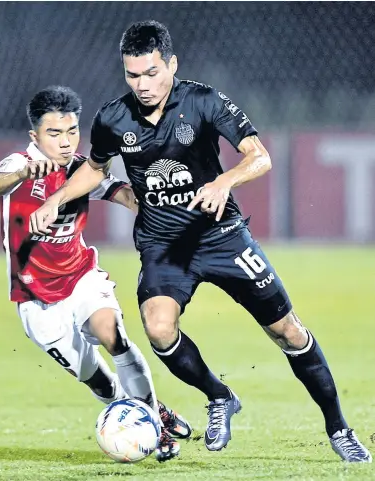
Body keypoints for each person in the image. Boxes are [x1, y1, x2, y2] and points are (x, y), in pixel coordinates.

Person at [28, 23, 372, 463]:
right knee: (157, 328)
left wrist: (224, 182)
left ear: (171, 65)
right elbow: (94, 169)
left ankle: (339, 428)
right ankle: (220, 396)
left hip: (221, 237)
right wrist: (57, 198)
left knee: (287, 331)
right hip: (162, 247)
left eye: (152, 73)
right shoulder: (114, 118)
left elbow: (259, 155)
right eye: (133, 76)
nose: (143, 85)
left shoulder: (203, 101)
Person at [0, 85, 192, 463]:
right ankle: (144, 409)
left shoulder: (82, 167)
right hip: (36, 301)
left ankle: (155, 430)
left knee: (116, 338)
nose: (65, 142)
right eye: (54, 133)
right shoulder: (18, 164)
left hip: (81, 278)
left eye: (72, 131)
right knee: (98, 380)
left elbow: (118, 191)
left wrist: (143, 204)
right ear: (35, 136)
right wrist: (26, 171)